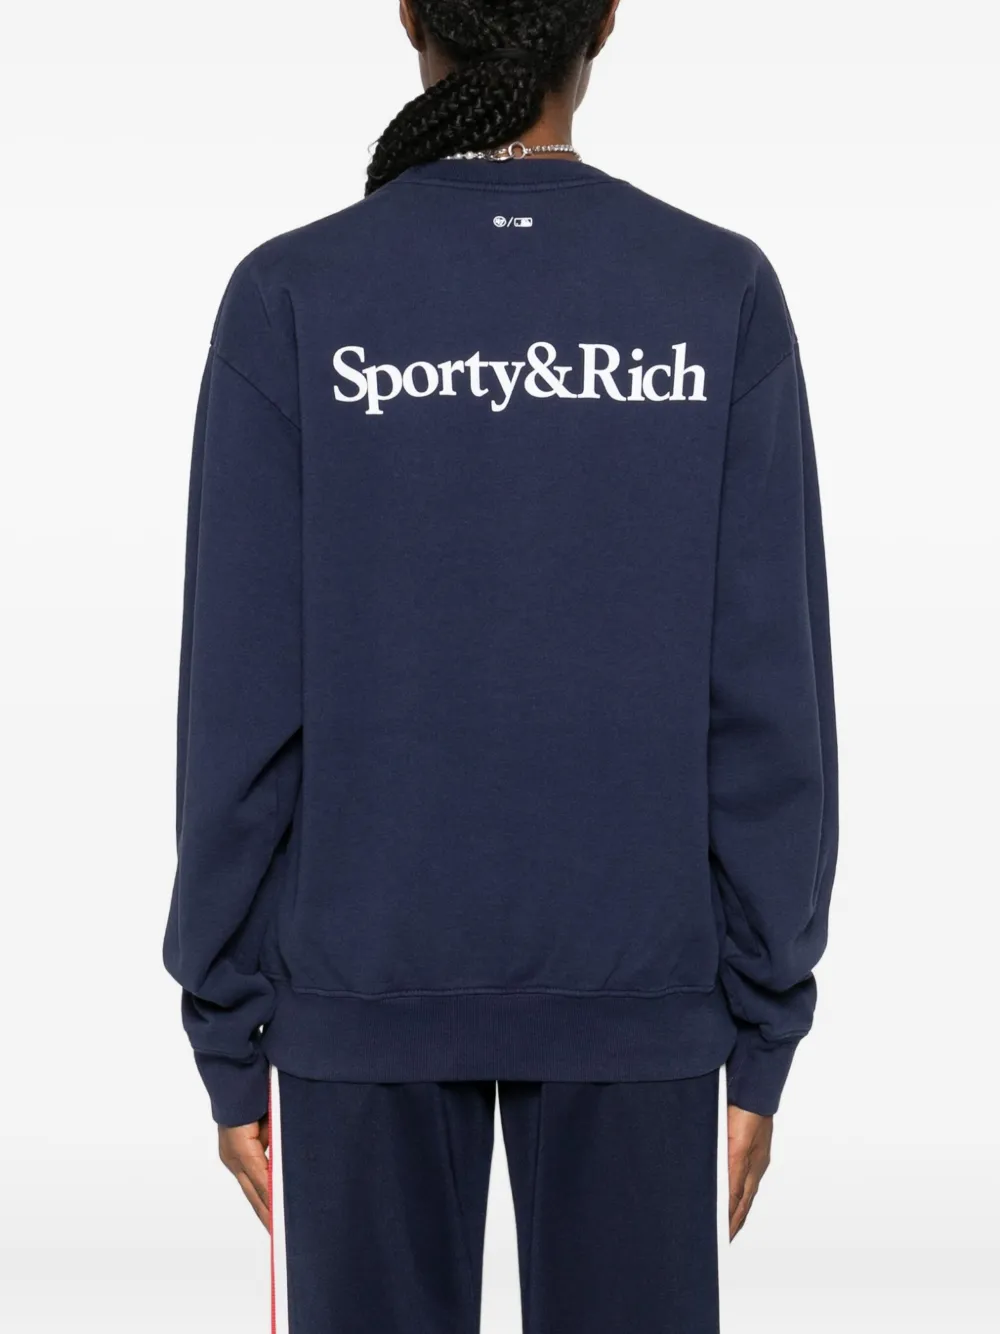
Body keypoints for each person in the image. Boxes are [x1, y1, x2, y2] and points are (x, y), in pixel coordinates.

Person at [163, 2, 838, 1330]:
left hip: (355, 997)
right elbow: (769, 699)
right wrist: (763, 1026)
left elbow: (238, 698)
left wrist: (228, 1027)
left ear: (412, 15)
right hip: (645, 999)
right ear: (606, 19)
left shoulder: (294, 293)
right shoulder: (715, 290)